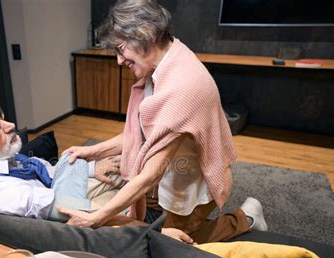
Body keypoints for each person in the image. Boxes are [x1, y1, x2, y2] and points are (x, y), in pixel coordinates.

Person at [58, 0, 267, 244]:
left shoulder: (181, 86)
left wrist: (96, 218)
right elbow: (141, 136)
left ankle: (246, 217)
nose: (119, 60)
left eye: (121, 49)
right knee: (144, 211)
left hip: (189, 181)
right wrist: (91, 151)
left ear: (145, 36)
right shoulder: (166, 58)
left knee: (173, 243)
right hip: (173, 170)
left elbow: (151, 172)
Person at [0, 87, 133, 225]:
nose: (10, 126)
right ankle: (146, 226)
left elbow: (46, 169)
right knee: (124, 197)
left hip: (56, 188)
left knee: (125, 166)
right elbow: (63, 208)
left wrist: (90, 169)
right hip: (60, 210)